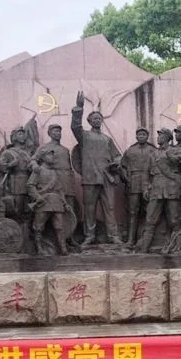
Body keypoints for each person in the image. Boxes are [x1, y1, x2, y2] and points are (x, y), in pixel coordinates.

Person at [71, 91, 124, 245]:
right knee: (89, 209)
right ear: (89, 121)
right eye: (94, 118)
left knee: (110, 208)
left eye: (99, 118)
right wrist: (78, 108)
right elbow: (75, 126)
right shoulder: (84, 136)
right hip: (90, 178)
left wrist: (117, 162)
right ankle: (90, 236)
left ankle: (113, 235)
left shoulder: (107, 139)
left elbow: (117, 155)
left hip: (106, 178)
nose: (97, 120)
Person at [120, 127, 154, 246]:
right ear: (136, 136)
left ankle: (146, 239)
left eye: (144, 134)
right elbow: (122, 167)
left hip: (148, 182)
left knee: (149, 211)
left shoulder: (152, 150)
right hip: (133, 181)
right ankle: (131, 240)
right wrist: (126, 178)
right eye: (139, 134)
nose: (141, 136)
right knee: (133, 212)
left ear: (147, 136)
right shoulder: (130, 151)